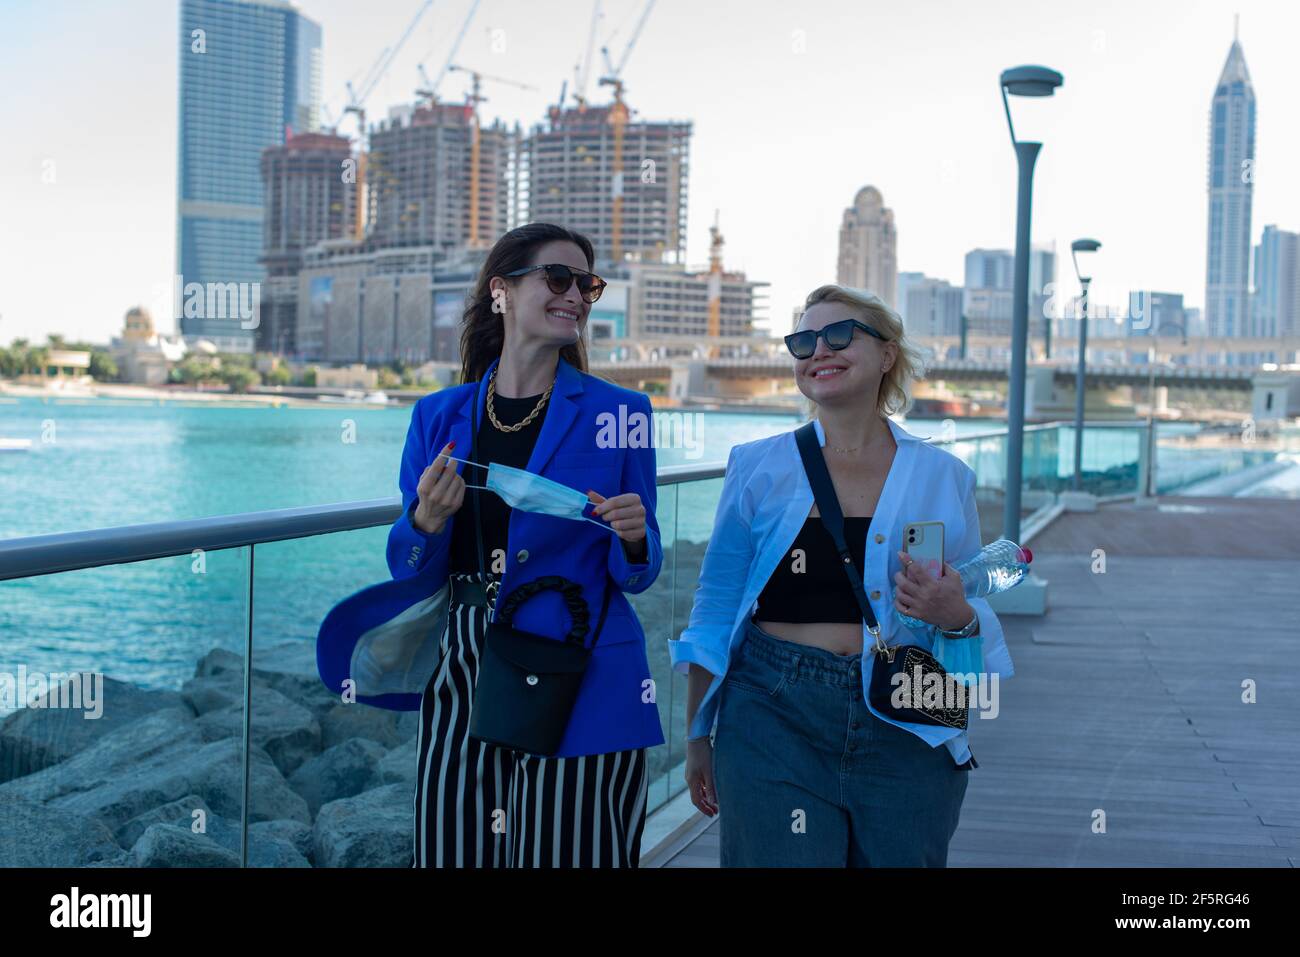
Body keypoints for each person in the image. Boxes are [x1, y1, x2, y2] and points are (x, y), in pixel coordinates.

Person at [670, 284, 1014, 867]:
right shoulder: (757, 467)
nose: (818, 350)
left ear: (887, 354)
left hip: (910, 711)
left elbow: (963, 644)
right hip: (771, 710)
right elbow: (717, 604)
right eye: (804, 340)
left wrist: (956, 615)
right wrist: (698, 733)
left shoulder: (944, 476)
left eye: (839, 335)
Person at [386, 223, 664, 867]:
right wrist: (426, 523)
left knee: (571, 853)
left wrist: (633, 536)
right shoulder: (437, 415)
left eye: (587, 285)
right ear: (501, 292)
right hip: (464, 665)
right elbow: (406, 569)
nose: (576, 295)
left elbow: (639, 570)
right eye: (558, 277)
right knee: (455, 850)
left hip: (581, 663)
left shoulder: (621, 412)